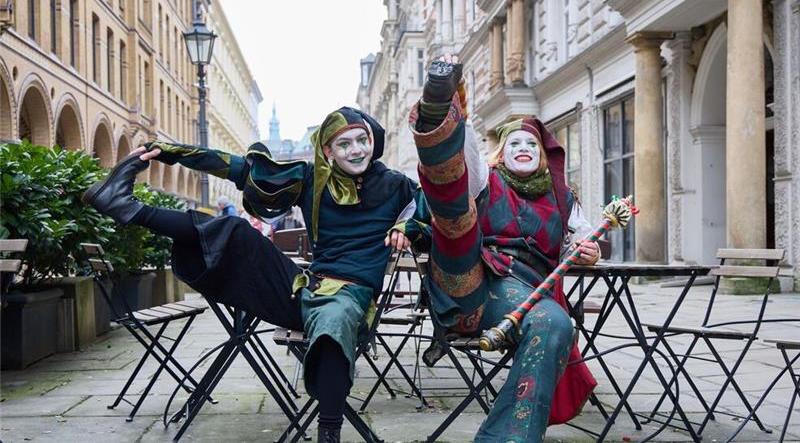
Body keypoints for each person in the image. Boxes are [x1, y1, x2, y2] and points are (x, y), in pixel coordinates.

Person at [82, 107, 429, 443]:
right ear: (328, 151)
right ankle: (127, 207)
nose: (356, 150)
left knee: (334, 318)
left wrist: (407, 225)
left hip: (352, 298)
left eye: (362, 139)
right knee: (235, 230)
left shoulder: (395, 185)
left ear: (371, 140)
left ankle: (329, 434)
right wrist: (176, 154)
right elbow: (240, 170)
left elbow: (430, 214)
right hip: (304, 291)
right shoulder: (311, 178)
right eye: (344, 144)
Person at [409, 55, 598, 443]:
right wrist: (456, 102)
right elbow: (469, 154)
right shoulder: (487, 181)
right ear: (502, 153)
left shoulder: (564, 199)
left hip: (532, 292)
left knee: (553, 324)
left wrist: (585, 250)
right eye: (515, 143)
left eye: (532, 143)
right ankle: (436, 107)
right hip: (479, 279)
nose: (524, 147)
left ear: (544, 155)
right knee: (453, 205)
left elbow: (580, 241)